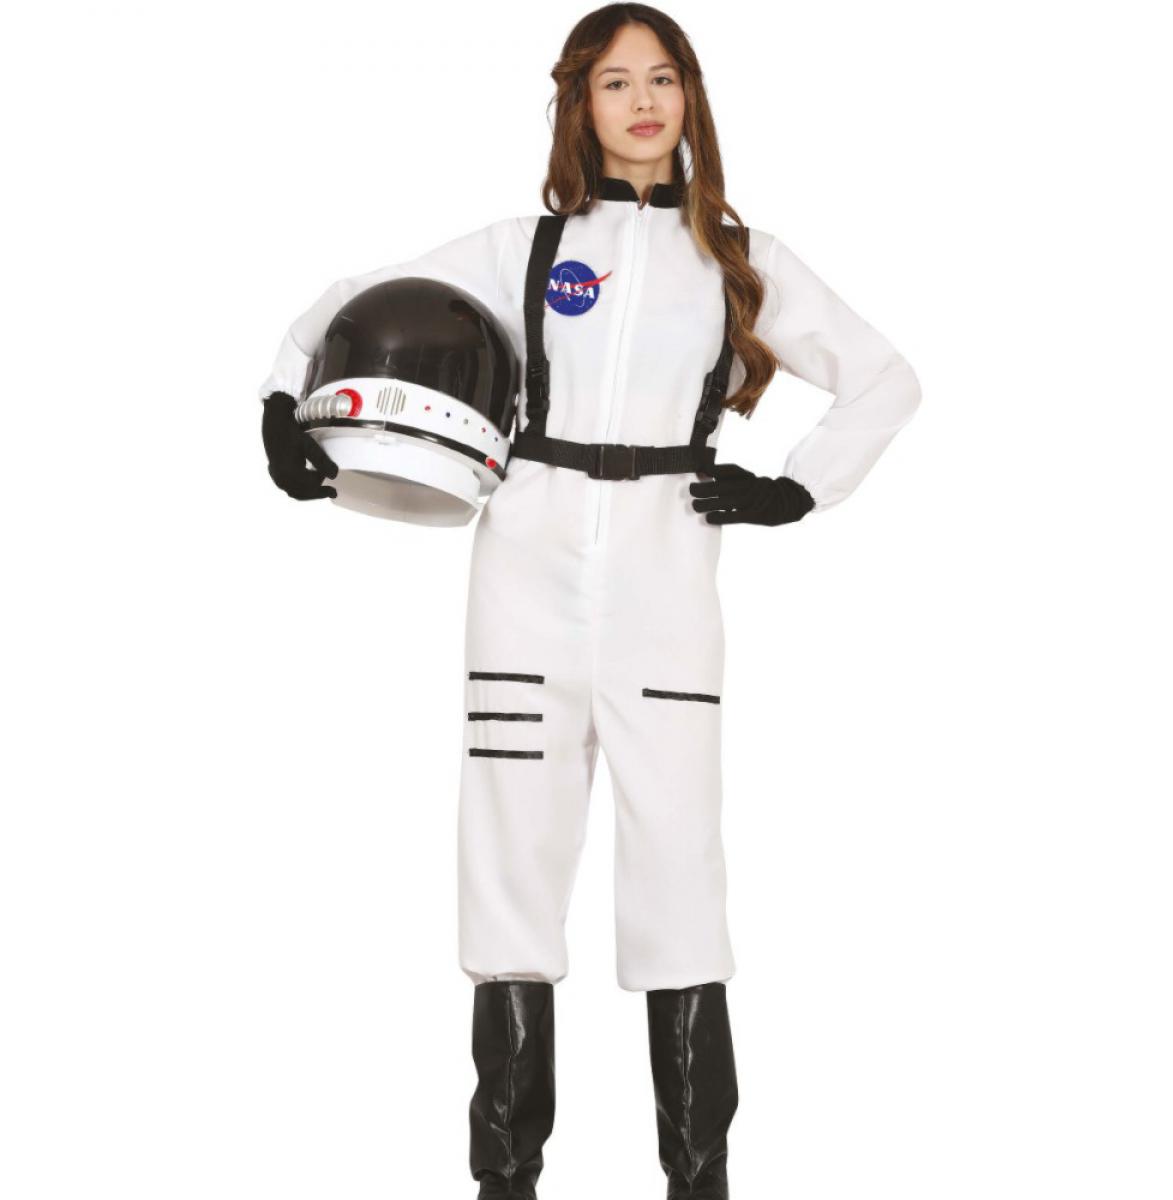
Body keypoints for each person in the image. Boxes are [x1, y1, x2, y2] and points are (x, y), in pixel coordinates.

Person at [259, 5, 921, 1197]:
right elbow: (349, 301)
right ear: (581, 105)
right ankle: (506, 1177)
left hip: (670, 579)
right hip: (524, 571)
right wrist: (281, 403)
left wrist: (799, 489)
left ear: (690, 97)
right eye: (617, 83)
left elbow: (884, 378)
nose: (643, 102)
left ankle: (698, 1176)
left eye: (662, 78)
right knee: (509, 857)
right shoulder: (526, 248)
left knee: (680, 869)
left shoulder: (740, 260)